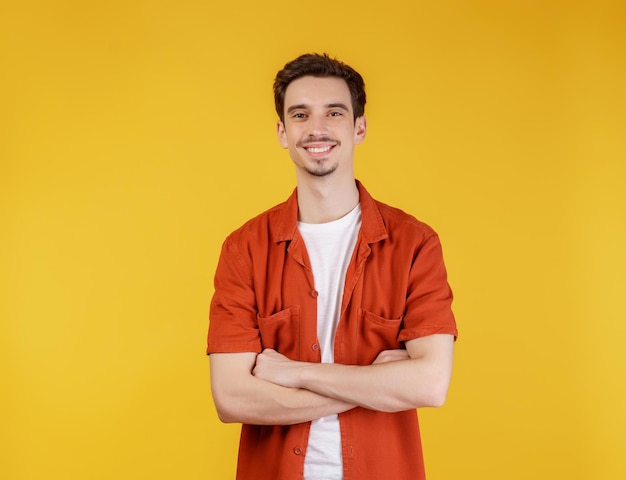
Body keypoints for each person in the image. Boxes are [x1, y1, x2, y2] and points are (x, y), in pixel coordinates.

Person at [207, 53, 458, 480]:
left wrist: (293, 374)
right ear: (283, 133)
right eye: (300, 114)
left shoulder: (415, 244)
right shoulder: (244, 250)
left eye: (334, 112)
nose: (316, 128)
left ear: (358, 127)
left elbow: (430, 385)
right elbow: (232, 398)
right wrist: (375, 386)